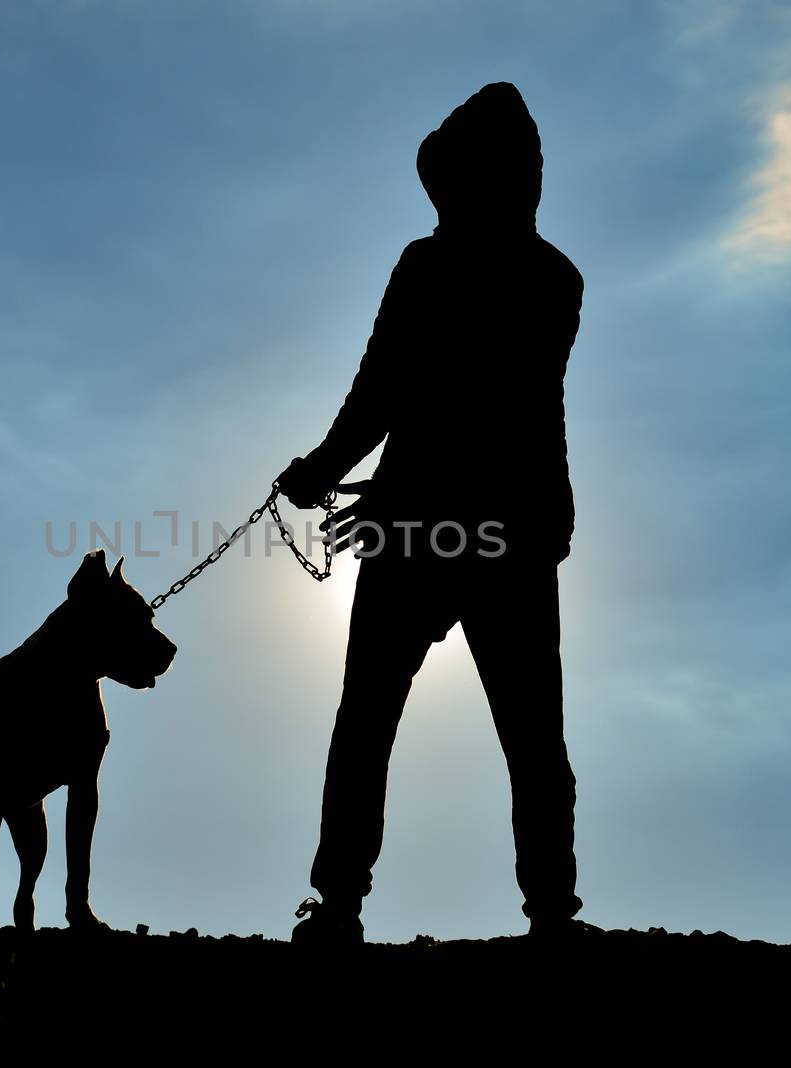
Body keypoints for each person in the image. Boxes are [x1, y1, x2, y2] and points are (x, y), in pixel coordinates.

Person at [276, 82, 585, 944]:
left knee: (370, 720)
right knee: (530, 739)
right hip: (503, 529)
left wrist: (324, 472)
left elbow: (396, 392)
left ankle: (339, 906)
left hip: (425, 524)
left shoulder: (433, 265)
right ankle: (553, 916)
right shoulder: (555, 278)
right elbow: (513, 410)